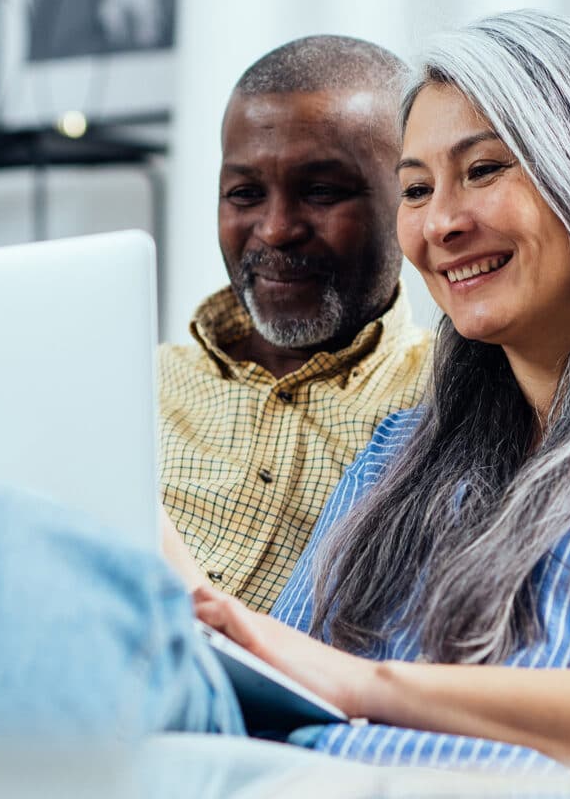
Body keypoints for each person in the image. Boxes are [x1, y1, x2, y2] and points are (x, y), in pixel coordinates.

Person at [0, 11, 570, 780]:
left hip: (441, 781)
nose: (442, 224)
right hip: (276, 770)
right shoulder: (401, 451)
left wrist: (372, 685)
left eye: (483, 170)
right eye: (419, 189)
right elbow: (282, 681)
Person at [159, 34, 430, 610]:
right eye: (245, 194)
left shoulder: (458, 397)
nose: (277, 228)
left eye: (322, 192)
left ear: (412, 196)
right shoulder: (131, 387)